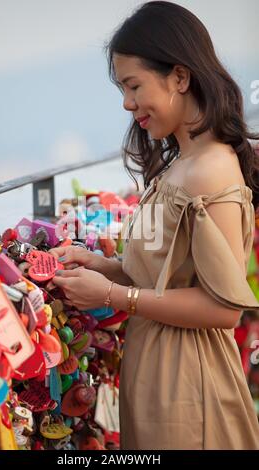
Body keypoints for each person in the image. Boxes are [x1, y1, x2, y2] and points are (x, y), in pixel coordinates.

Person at [50, 1, 259, 450]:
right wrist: (104, 265)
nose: (128, 104)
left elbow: (223, 308)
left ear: (180, 77)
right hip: (160, 378)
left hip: (191, 390)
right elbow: (170, 273)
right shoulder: (182, 163)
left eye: (133, 86)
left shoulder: (211, 169)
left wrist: (110, 295)